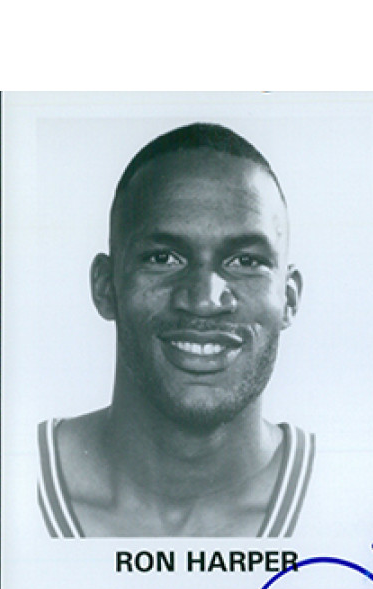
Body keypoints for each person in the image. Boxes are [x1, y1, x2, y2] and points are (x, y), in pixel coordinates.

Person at [37, 123, 312, 538]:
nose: (204, 299)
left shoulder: (362, 500)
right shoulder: (16, 483)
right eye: (163, 258)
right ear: (106, 287)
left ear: (289, 298)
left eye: (245, 261)